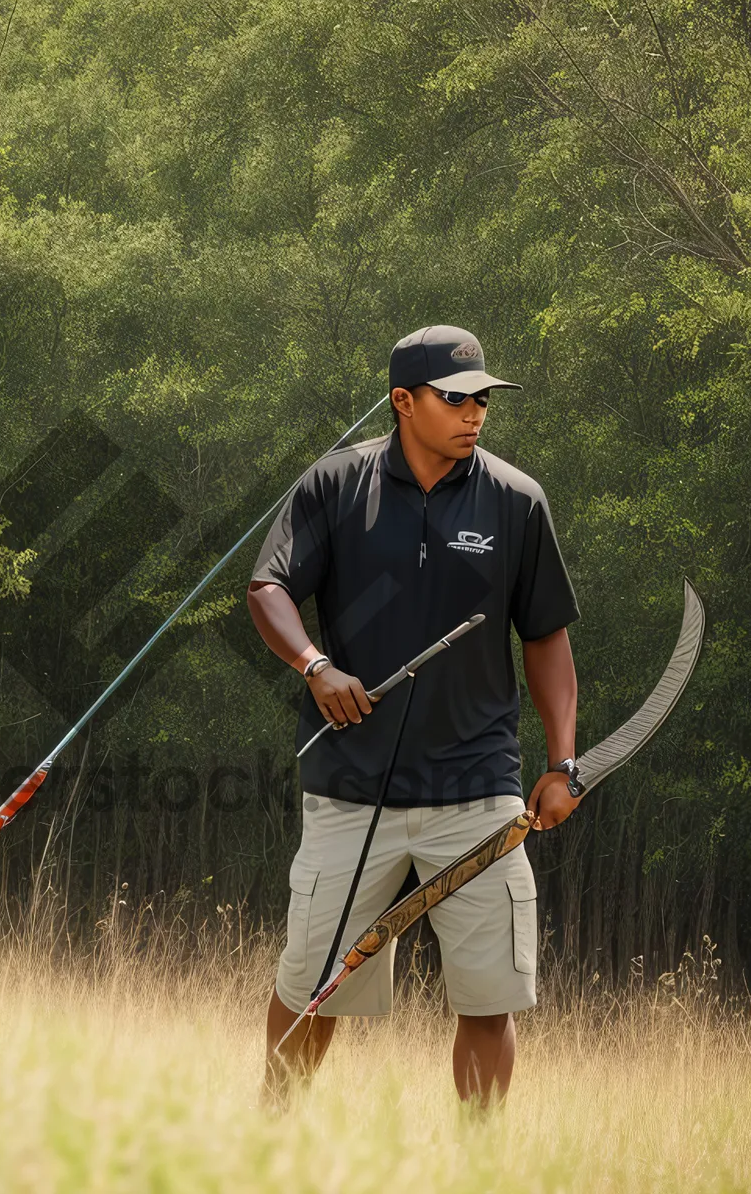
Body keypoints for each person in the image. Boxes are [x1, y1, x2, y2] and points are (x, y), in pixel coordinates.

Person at [248, 324, 581, 1111]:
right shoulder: (333, 486)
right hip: (349, 787)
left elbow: (547, 639)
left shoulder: (517, 500)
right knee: (312, 988)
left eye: (483, 401)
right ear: (403, 401)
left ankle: (477, 1168)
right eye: (457, 399)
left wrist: (564, 763)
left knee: (488, 997)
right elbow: (268, 590)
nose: (475, 415)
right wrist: (315, 666)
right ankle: (267, 1143)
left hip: (478, 790)